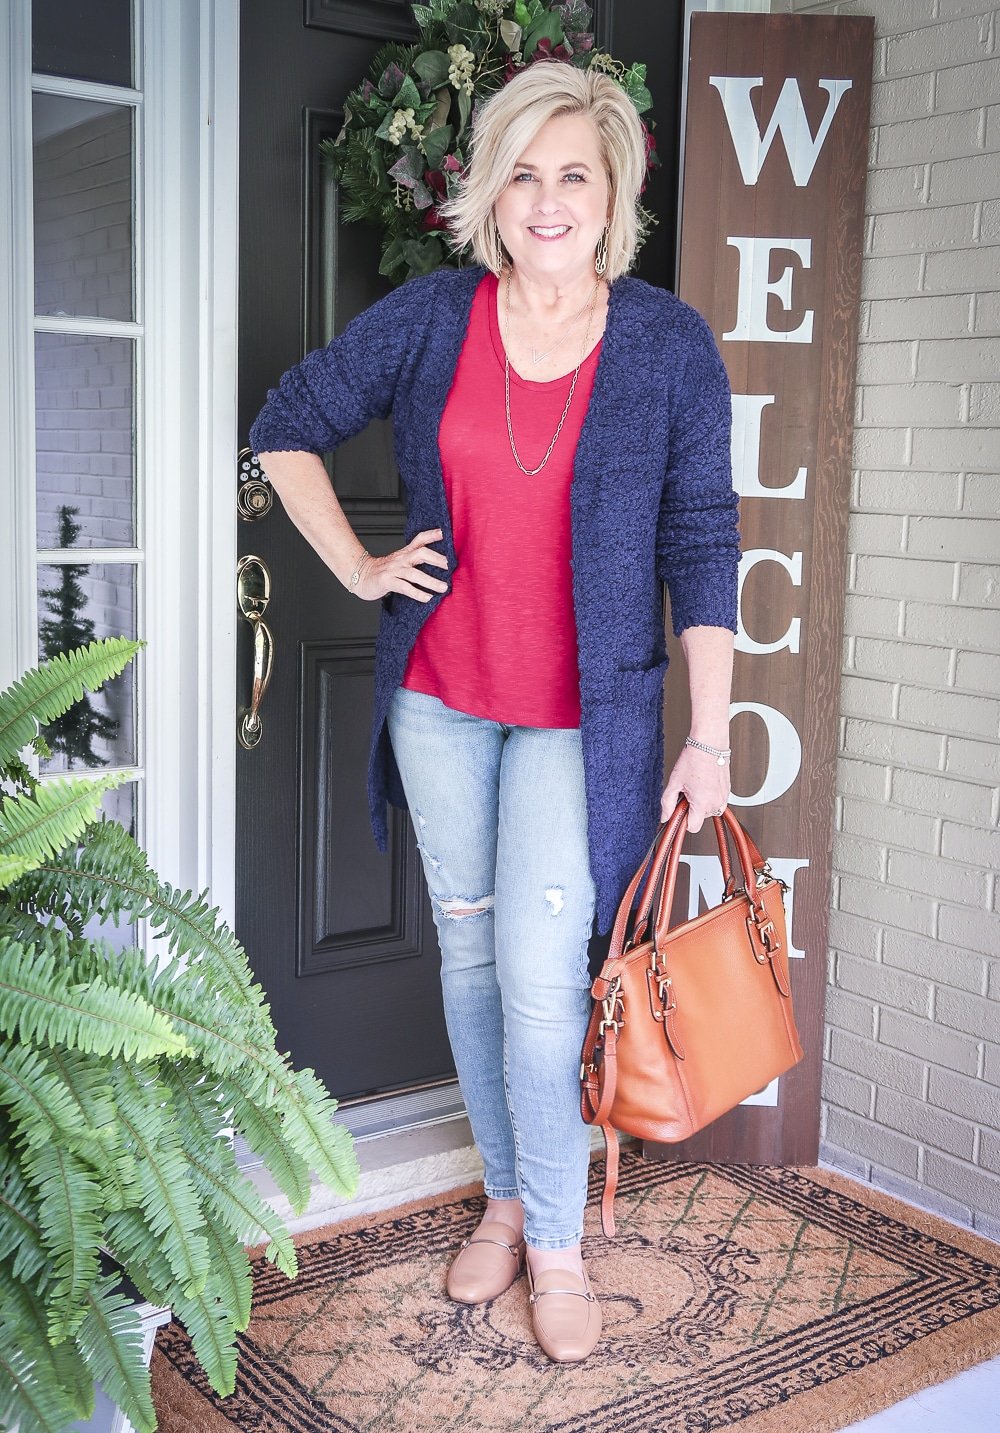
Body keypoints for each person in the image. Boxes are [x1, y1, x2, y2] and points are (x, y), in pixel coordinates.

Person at [249, 60, 740, 1365]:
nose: (547, 197)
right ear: (488, 187)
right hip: (442, 698)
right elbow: (285, 424)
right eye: (523, 169)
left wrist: (712, 728)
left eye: (574, 170)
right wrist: (356, 568)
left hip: (588, 718)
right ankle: (512, 1199)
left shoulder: (666, 344)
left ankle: (561, 1246)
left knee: (537, 981)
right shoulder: (431, 318)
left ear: (613, 187)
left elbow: (703, 540)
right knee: (469, 961)